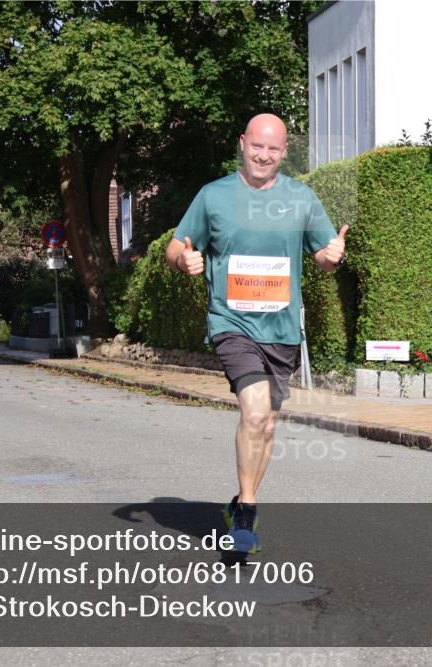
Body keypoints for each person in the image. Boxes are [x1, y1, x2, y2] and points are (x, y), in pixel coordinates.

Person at [165, 113, 347, 553]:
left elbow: (322, 254)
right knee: (253, 411)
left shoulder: (301, 198)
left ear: (284, 152)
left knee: (266, 424)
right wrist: (182, 261)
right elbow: (177, 244)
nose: (263, 155)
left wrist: (333, 254)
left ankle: (238, 502)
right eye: (256, 146)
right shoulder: (214, 196)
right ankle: (246, 510)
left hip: (281, 329)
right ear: (242, 143)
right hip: (232, 323)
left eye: (273, 149)